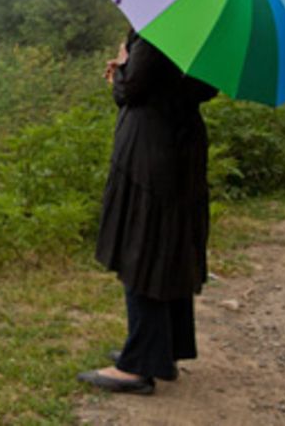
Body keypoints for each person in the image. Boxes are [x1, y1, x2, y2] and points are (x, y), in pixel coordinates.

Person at [79, 29, 218, 395]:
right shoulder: (206, 31)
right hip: (183, 143)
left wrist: (122, 66)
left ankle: (138, 365)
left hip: (149, 151)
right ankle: (162, 349)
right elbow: (204, 88)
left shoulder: (159, 25)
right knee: (167, 246)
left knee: (141, 248)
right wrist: (134, 70)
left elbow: (130, 90)